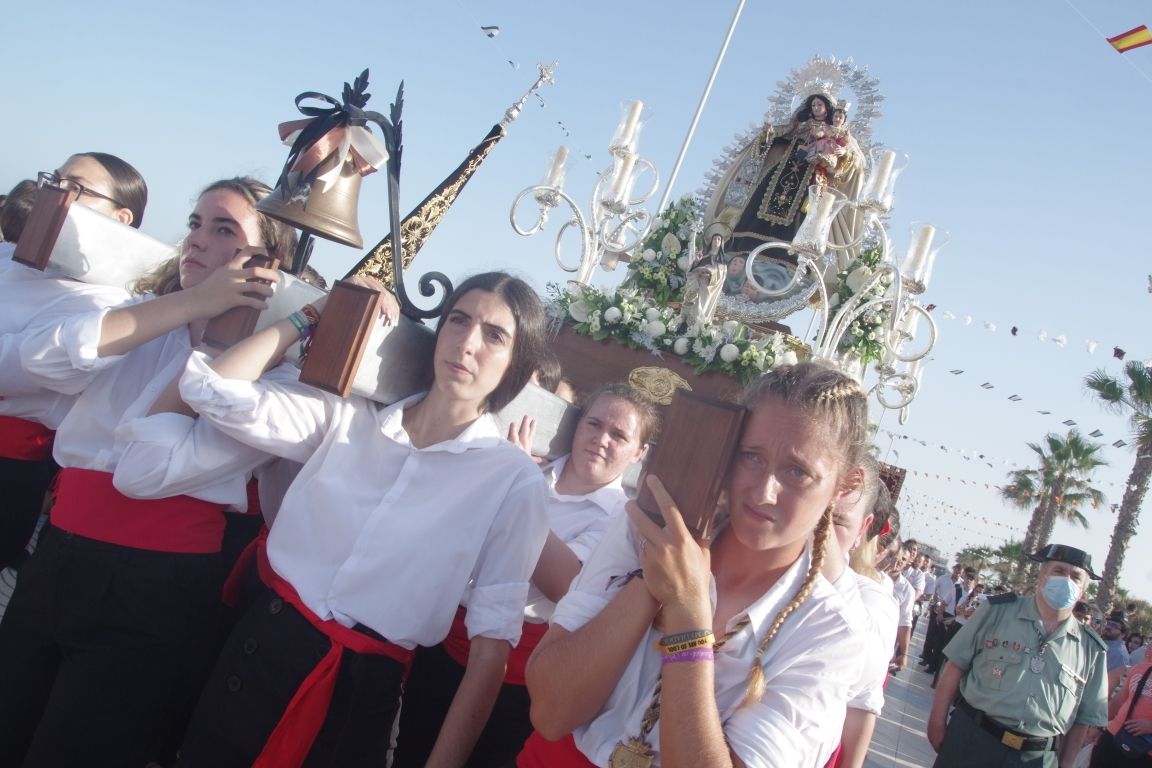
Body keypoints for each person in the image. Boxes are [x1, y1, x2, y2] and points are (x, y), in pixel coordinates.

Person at [174, 271, 552, 768]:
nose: (467, 342)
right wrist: (323, 307)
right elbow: (210, 389)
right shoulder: (350, 417)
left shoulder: (513, 481)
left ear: (518, 368)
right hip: (258, 645)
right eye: (458, 320)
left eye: (495, 335)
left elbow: (490, 653)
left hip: (357, 696)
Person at [0, 176, 295, 767]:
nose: (197, 240)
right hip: (56, 554)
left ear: (267, 263)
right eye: (194, 223)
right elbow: (35, 363)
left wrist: (224, 330)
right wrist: (186, 306)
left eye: (223, 229)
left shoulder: (275, 374)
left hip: (155, 587)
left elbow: (151, 469)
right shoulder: (139, 316)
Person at [521, 361, 871, 767]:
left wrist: (688, 612)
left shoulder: (830, 631)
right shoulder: (647, 529)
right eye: (751, 457)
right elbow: (548, 713)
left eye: (797, 472)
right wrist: (651, 584)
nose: (763, 492)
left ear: (844, 485)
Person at [394, 383, 659, 767]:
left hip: (517, 679)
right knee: (407, 749)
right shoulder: (529, 466)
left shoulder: (621, 520)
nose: (601, 439)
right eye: (594, 424)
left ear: (639, 452)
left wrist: (521, 484)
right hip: (444, 639)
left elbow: (565, 584)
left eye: (619, 435)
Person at [0, 155, 149, 574]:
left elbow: (18, 368)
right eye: (55, 180)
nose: (55, 193)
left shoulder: (106, 301)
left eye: (77, 188)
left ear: (121, 218)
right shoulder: (7, 254)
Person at [928, 544, 1109, 768]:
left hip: (1036, 758)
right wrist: (936, 721)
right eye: (1059, 571)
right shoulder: (997, 611)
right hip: (974, 738)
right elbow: (956, 666)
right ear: (1042, 576)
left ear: (1082, 591)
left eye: (1075, 577)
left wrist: (1067, 764)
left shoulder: (1091, 648)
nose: (1066, 580)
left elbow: (1083, 720)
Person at [705, 93, 863, 258]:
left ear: (828, 108)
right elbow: (775, 137)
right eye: (814, 105)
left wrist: (842, 151)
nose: (816, 108)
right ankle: (745, 244)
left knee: (804, 213)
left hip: (811, 177)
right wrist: (768, 133)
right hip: (782, 172)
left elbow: (850, 155)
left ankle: (790, 255)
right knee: (760, 200)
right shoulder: (799, 126)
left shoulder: (835, 132)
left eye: (819, 105)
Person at [828, 456, 898, 768]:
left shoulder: (872, 599)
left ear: (864, 529)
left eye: (837, 521)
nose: (822, 531)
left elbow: (862, 700)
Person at [1088, 656, 1152, 767]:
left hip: (1145, 751)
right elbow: (1118, 702)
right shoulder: (1140, 669)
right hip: (1113, 737)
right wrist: (1099, 726)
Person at [1103, 613, 1132, 693]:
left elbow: (1107, 683)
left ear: (1123, 634)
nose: (1108, 627)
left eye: (1114, 626)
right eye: (1109, 623)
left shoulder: (1118, 653)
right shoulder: (1106, 643)